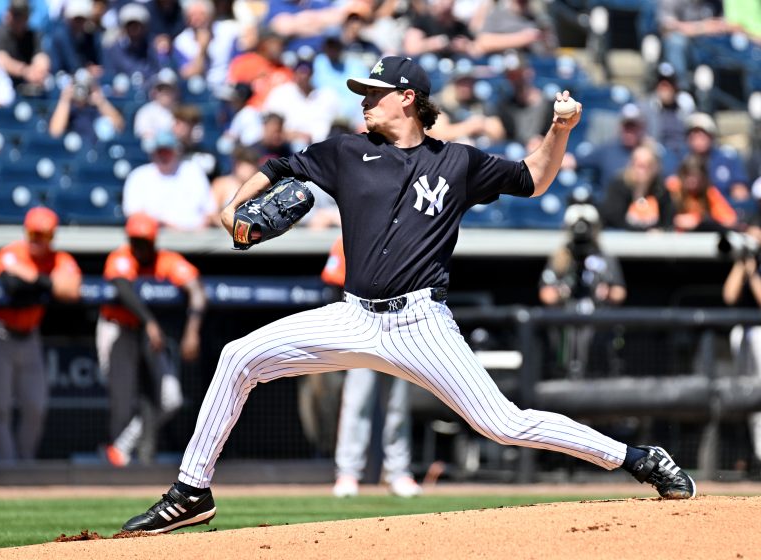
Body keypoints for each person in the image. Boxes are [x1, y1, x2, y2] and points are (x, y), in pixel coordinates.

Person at [121, 55, 695, 534]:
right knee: (237, 356)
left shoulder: (457, 161)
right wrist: (231, 209)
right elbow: (277, 166)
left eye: (375, 91)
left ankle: (639, 458)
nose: (364, 100)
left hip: (421, 323)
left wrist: (560, 130)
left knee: (505, 423)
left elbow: (533, 179)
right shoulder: (348, 151)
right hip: (352, 317)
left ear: (408, 98)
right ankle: (191, 491)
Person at [98, 212, 205, 467]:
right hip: (118, 328)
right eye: (135, 241)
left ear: (154, 241)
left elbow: (197, 291)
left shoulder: (166, 260)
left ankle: (119, 448)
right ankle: (117, 469)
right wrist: (150, 322)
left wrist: (192, 331)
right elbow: (123, 289)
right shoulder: (121, 256)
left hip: (148, 333)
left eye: (144, 241)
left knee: (171, 399)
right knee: (122, 402)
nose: (139, 247)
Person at [0, 207, 81, 462]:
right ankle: (6, 466)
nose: (36, 240)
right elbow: (11, 283)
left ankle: (25, 462)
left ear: (51, 236)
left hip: (30, 336)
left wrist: (35, 280)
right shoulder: (12, 252)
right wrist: (47, 283)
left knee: (35, 405)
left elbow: (72, 291)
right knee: (0, 407)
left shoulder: (59, 259)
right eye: (33, 233)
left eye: (42, 235)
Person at [323, 236, 421, 498]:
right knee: (356, 403)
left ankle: (398, 472)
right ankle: (347, 473)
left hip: (400, 328)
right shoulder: (349, 234)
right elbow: (334, 284)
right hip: (362, 327)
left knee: (397, 406)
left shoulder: (407, 232)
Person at [539, 199, 627, 378]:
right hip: (566, 321)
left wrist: (607, 293)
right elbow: (545, 293)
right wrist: (562, 293)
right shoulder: (560, 258)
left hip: (598, 322)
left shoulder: (605, 258)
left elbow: (620, 292)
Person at [721, 224, 761, 464]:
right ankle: (751, 454)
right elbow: (729, 296)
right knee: (746, 393)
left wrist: (754, 271)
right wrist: (742, 262)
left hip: (759, 329)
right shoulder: (744, 262)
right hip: (742, 330)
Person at [122, 129, 216, 230]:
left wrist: (197, 231)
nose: (163, 155)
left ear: (176, 151)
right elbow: (133, 214)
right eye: (159, 151)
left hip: (195, 237)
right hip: (156, 236)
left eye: (167, 151)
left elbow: (210, 211)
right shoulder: (139, 176)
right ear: (153, 152)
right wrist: (164, 224)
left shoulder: (193, 171)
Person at [600, 144, 675, 231]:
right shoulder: (618, 186)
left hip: (653, 242)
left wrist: (660, 231)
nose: (642, 170)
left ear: (655, 167)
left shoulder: (661, 190)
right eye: (639, 165)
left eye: (648, 165)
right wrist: (644, 232)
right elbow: (613, 219)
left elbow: (667, 221)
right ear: (631, 165)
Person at [0, 0, 50, 94]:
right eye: (15, 14)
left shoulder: (34, 36)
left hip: (29, 87)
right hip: (3, 89)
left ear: (28, 17)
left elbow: (42, 58)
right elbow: (0, 59)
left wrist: (38, 71)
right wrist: (25, 71)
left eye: (22, 15)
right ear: (8, 14)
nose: (18, 19)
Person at [47, 68, 124, 145]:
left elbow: (119, 126)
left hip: (97, 150)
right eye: (78, 86)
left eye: (85, 86)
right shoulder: (68, 109)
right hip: (74, 153)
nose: (81, 90)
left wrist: (101, 102)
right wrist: (65, 100)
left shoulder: (97, 107)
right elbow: (55, 132)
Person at [667, 154, 738, 232]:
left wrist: (699, 220)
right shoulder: (672, 189)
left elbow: (730, 220)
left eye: (696, 177)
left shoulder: (709, 192)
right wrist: (677, 220)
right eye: (688, 176)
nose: (692, 181)